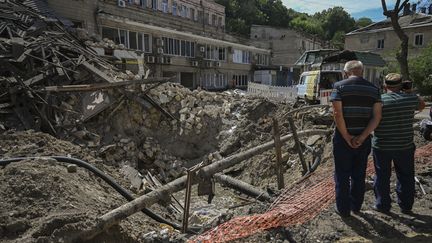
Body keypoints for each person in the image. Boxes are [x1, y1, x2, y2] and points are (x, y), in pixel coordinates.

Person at [330, 60, 382, 217]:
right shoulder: (374, 89)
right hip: (364, 140)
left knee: (342, 174)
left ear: (346, 73)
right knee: (359, 175)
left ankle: (343, 209)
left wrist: (346, 136)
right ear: (362, 72)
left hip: (342, 139)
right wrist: (362, 137)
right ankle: (356, 206)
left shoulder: (339, 86)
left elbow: (337, 114)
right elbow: (377, 116)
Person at [371, 74, 425, 214]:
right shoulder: (410, 99)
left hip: (382, 145)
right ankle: (406, 206)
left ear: (384, 86)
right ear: (401, 85)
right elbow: (422, 105)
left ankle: (382, 205)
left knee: (382, 175)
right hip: (404, 145)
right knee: (406, 175)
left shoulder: (379, 100)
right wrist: (410, 92)